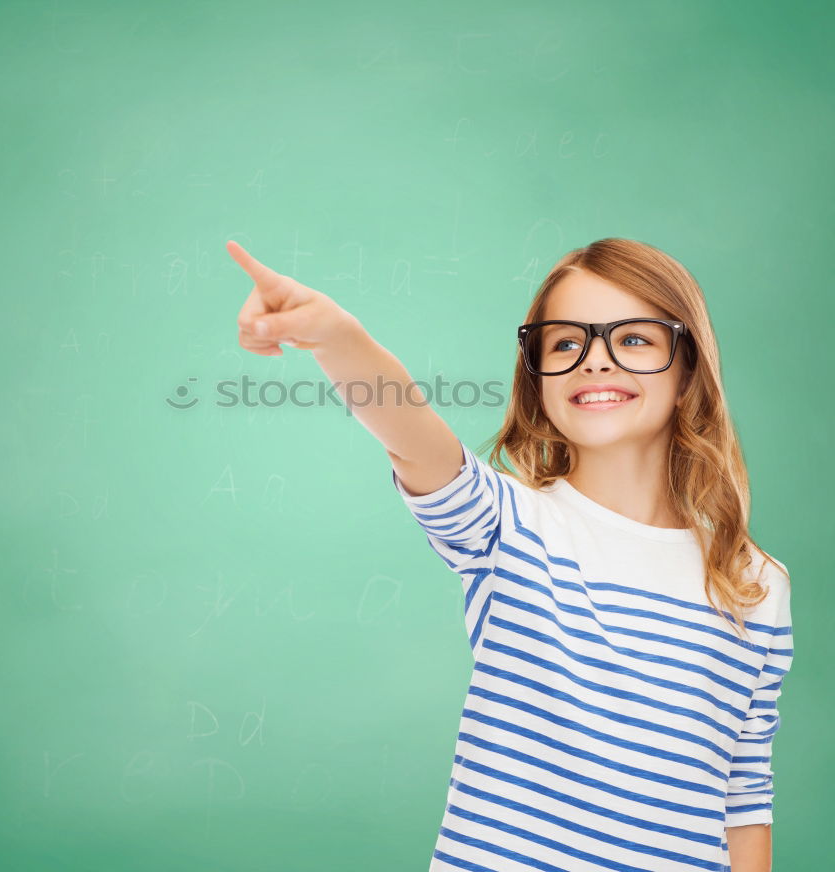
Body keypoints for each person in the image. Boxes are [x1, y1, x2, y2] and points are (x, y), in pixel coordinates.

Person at [226, 236, 794, 872]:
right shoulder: (507, 524)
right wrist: (334, 335)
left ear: (687, 366)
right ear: (538, 380)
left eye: (633, 339)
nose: (595, 361)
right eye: (565, 344)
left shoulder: (755, 584)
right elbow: (408, 431)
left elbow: (744, 797)